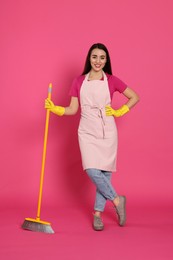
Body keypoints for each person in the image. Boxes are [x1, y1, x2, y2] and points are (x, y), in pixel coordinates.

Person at [45, 43, 139, 231]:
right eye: (94, 57)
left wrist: (121, 111)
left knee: (104, 173)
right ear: (89, 58)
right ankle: (118, 200)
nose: (98, 61)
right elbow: (73, 109)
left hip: (107, 130)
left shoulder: (112, 80)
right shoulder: (79, 81)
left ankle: (97, 214)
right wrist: (55, 108)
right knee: (92, 170)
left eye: (102, 57)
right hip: (87, 131)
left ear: (106, 60)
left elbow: (134, 97)